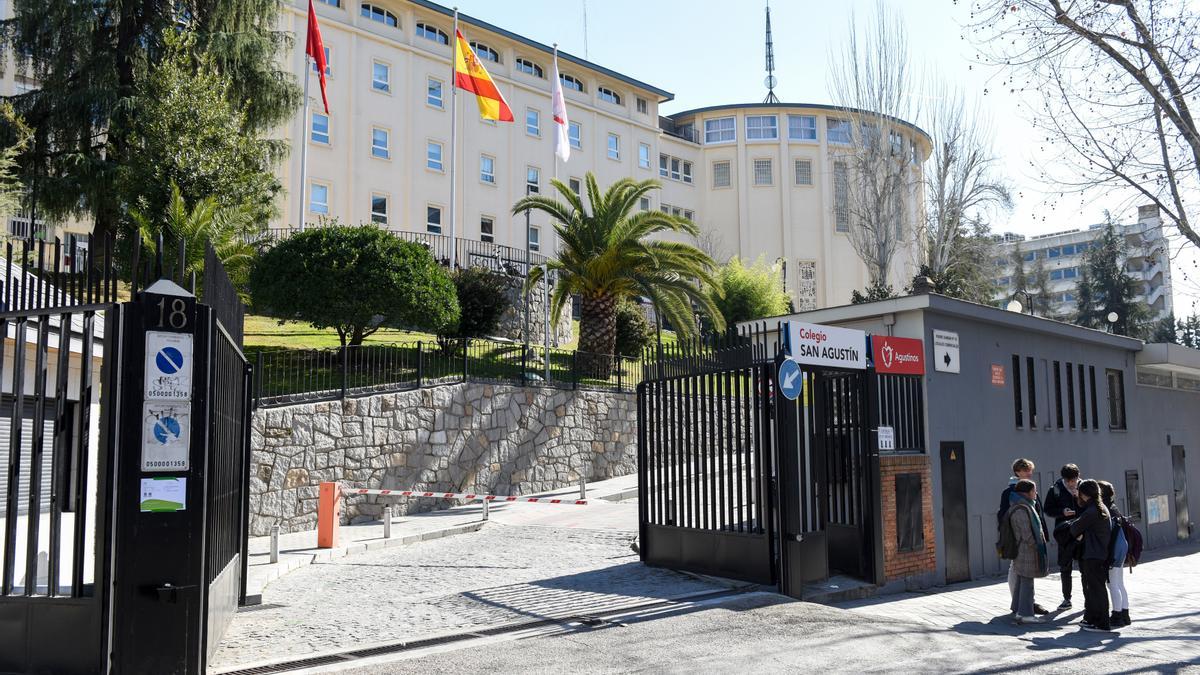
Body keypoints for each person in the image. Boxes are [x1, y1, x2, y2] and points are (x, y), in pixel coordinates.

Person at [999, 459, 1050, 615]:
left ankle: (1026, 602)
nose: (1029, 473)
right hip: (1019, 537)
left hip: (1033, 534)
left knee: (1026, 569)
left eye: (1030, 470)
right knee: (1017, 569)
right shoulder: (1009, 492)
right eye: (1026, 470)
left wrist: (1043, 534)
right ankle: (1022, 603)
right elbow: (1004, 515)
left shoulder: (1031, 489)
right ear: (1017, 472)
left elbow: (1038, 514)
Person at [1070, 479, 1113, 632]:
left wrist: (1081, 534)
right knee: (1096, 588)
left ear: (1084, 494)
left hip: (1093, 554)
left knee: (1095, 589)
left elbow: (1075, 528)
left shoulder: (1091, 511)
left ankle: (1101, 622)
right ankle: (1093, 619)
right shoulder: (1101, 507)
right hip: (1099, 553)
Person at [1043, 463, 1081, 609]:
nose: (1072, 484)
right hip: (1064, 533)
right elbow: (1048, 509)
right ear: (1063, 479)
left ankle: (1088, 597)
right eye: (1068, 481)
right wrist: (1062, 512)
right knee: (1065, 565)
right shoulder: (1056, 489)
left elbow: (1093, 506)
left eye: (1074, 480)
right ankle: (1066, 598)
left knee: (1085, 566)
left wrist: (1080, 500)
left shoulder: (1084, 486)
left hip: (1082, 531)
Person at [1098, 480, 1131, 628]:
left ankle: (1117, 615)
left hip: (1113, 550)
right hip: (1122, 548)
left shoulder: (1105, 509)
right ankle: (1125, 614)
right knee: (1120, 583)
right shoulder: (1114, 507)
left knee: (1112, 584)